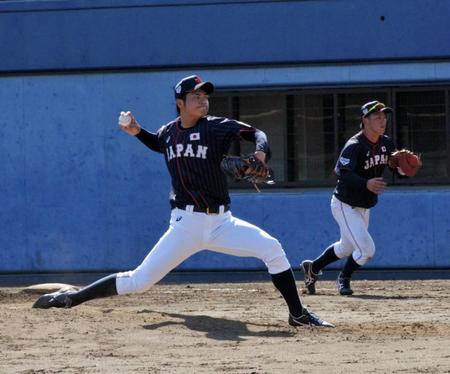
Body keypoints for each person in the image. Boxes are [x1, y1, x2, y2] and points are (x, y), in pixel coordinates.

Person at [33, 75, 334, 328]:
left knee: (273, 249)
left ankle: (297, 314)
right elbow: (158, 143)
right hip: (185, 225)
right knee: (139, 282)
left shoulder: (216, 127)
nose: (203, 100)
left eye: (205, 95)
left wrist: (259, 154)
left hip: (221, 223)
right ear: (180, 102)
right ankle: (72, 297)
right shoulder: (168, 132)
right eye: (196, 96)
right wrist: (137, 132)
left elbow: (257, 132)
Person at [301, 100, 397, 296]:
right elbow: (342, 172)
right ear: (365, 120)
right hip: (345, 204)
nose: (382, 120)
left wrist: (404, 166)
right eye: (377, 116)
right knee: (367, 249)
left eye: (384, 116)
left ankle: (313, 267)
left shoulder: (386, 143)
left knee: (346, 247)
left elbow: (396, 168)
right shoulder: (354, 145)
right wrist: (366, 183)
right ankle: (344, 278)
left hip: (364, 204)